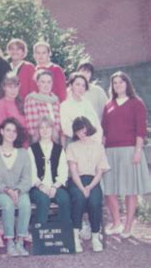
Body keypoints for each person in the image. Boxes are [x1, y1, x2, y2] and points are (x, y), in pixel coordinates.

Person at [102, 72, 151, 238]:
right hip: (109, 152)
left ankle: (128, 226)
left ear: (127, 84)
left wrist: (138, 151)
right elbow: (105, 130)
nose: (118, 85)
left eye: (121, 82)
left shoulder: (136, 103)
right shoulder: (108, 104)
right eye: (114, 83)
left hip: (130, 150)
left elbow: (141, 130)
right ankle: (116, 222)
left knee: (130, 190)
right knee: (109, 190)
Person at [0, 118, 31, 257]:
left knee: (25, 203)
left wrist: (17, 190)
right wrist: (7, 190)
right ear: (1, 132)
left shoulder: (23, 153)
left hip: (19, 190)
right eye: (8, 130)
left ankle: (20, 241)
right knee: (8, 204)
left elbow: (27, 179)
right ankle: (9, 242)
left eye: (14, 131)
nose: (11, 133)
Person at [67, 117, 110, 252]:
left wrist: (90, 187)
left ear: (89, 128)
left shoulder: (98, 147)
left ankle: (96, 237)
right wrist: (82, 188)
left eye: (83, 129)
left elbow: (100, 171)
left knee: (95, 201)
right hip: (76, 181)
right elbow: (73, 172)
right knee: (78, 199)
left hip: (93, 181)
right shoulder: (71, 147)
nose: (82, 133)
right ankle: (75, 237)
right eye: (78, 131)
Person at [28, 116, 70, 225]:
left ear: (52, 129)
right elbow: (30, 172)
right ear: (38, 131)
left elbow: (63, 171)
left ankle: (63, 232)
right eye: (41, 128)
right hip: (37, 187)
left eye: (47, 127)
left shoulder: (59, 149)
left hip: (55, 186)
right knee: (43, 200)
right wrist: (41, 186)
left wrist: (55, 187)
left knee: (64, 198)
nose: (45, 130)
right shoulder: (32, 149)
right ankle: (41, 233)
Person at [60, 72, 102, 144]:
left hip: (90, 142)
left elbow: (97, 124)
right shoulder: (65, 105)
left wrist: (97, 141)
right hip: (74, 142)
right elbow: (65, 127)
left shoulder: (88, 104)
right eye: (77, 84)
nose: (81, 88)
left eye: (83, 85)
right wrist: (79, 134)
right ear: (71, 85)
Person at [24, 70, 61, 144]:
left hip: (55, 140)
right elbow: (32, 127)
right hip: (38, 141)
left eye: (49, 82)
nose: (46, 85)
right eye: (43, 82)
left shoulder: (55, 101)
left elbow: (58, 123)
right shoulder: (32, 99)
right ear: (37, 83)